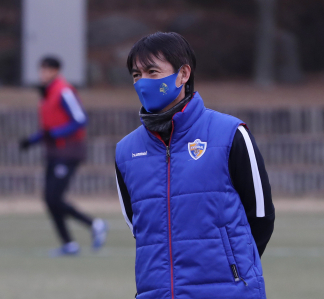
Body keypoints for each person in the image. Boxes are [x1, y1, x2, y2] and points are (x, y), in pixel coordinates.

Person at [115, 32, 275, 298]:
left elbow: (260, 215)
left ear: (183, 74)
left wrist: (232, 269)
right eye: (136, 75)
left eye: (153, 72)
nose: (143, 83)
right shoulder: (126, 151)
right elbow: (139, 226)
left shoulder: (230, 133)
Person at [19, 56, 108, 256]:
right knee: (50, 199)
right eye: (41, 70)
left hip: (68, 151)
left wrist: (55, 134)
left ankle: (95, 224)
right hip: (54, 152)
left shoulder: (64, 91)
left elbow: (79, 119)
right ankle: (69, 244)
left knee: (53, 197)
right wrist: (32, 141)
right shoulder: (47, 94)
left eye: (47, 70)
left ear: (56, 71)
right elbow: (49, 126)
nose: (43, 74)